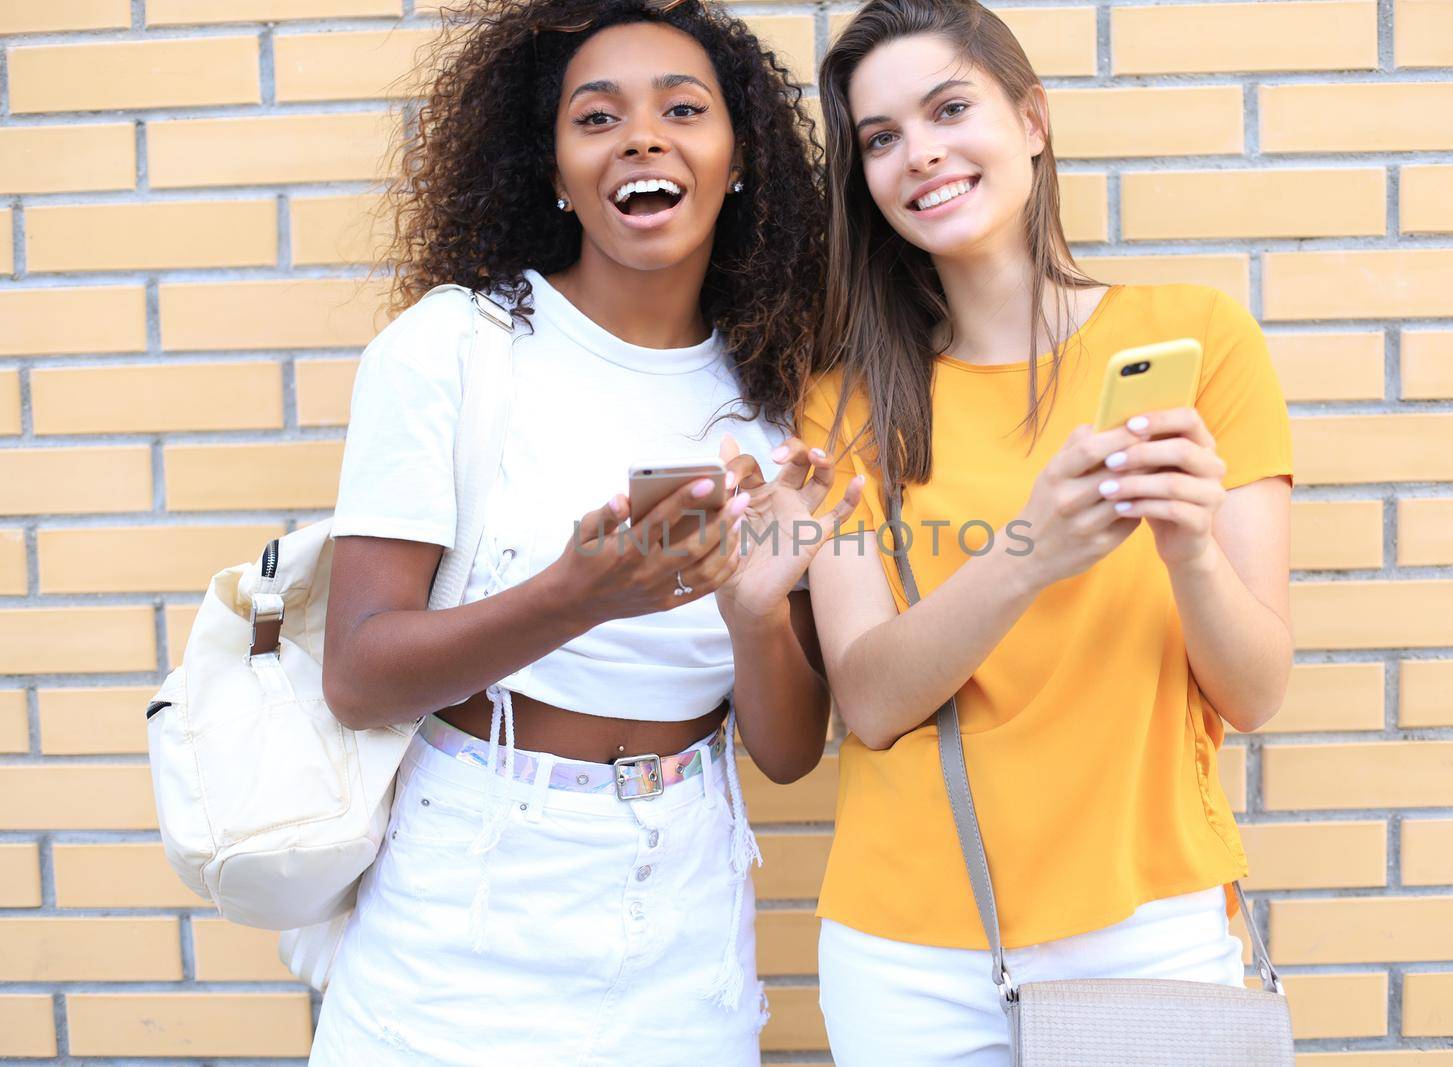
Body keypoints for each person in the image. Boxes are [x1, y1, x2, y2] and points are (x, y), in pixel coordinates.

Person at [306, 1, 862, 1062]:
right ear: (554, 169)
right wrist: (575, 594)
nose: (642, 137)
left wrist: (751, 608)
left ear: (737, 157)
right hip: (466, 894)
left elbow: (787, 753)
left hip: (683, 894)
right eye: (596, 117)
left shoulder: (778, 404)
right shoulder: (453, 350)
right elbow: (360, 674)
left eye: (682, 109)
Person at [798, 1, 1294, 1062]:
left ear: (1030, 119)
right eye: (879, 139)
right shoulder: (845, 407)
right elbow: (871, 699)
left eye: (948, 108)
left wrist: (1188, 547)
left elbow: (1252, 692)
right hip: (909, 954)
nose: (918, 152)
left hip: (1150, 920)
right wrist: (1029, 549)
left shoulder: (1200, 339)